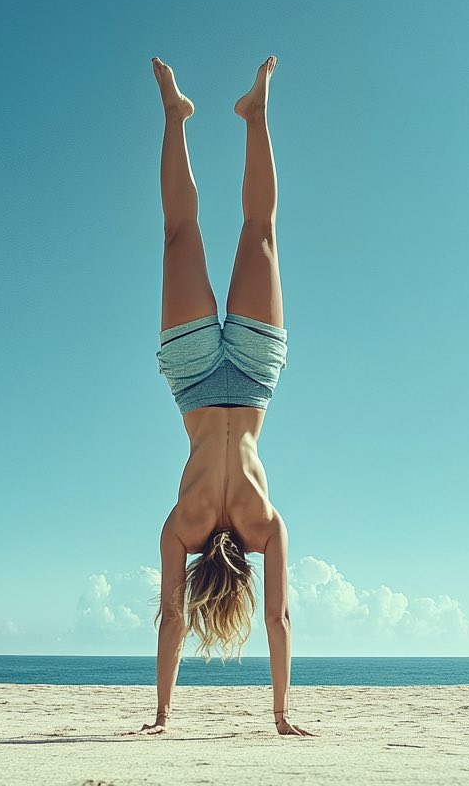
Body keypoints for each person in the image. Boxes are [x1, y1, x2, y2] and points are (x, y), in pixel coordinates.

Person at [137, 56, 315, 738]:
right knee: (180, 236)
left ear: (236, 578)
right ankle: (180, 114)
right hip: (195, 381)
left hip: (247, 377)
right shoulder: (183, 528)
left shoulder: (265, 528)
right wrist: (278, 717)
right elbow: (175, 620)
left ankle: (248, 114)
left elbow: (279, 621)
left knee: (258, 230)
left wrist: (164, 717)